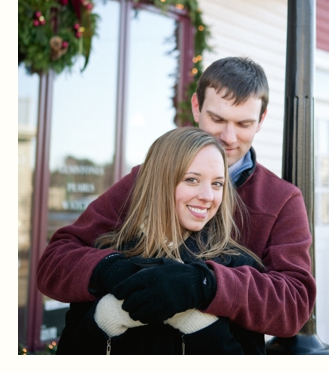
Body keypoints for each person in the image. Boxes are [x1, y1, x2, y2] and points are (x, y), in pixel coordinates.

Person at [37, 57, 315, 340]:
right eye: (217, 119)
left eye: (244, 123)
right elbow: (55, 262)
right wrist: (112, 270)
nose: (228, 137)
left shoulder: (281, 199)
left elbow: (294, 305)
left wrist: (204, 284)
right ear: (196, 107)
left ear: (261, 120)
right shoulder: (149, 178)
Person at [56, 127, 265, 354]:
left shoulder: (237, 267)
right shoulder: (106, 258)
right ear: (160, 181)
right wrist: (105, 318)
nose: (208, 196)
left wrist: (197, 322)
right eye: (192, 180)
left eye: (217, 183)